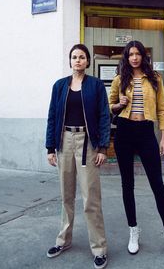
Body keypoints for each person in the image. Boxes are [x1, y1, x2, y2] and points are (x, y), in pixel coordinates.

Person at [108, 40, 164, 260]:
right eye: (131, 54)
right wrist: (119, 104)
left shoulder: (155, 79)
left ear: (143, 56)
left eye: (138, 53)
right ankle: (133, 231)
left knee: (157, 184)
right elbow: (110, 107)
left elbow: (162, 110)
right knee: (127, 185)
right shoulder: (120, 79)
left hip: (147, 132)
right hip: (124, 133)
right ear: (126, 57)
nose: (134, 57)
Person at [45, 44, 110, 269]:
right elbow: (52, 116)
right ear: (70, 61)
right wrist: (50, 147)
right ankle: (63, 240)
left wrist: (103, 148)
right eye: (74, 57)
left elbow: (104, 115)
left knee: (90, 197)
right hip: (64, 141)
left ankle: (99, 248)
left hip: (87, 143)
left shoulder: (95, 85)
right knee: (66, 196)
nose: (78, 60)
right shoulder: (60, 86)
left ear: (88, 61)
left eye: (82, 57)